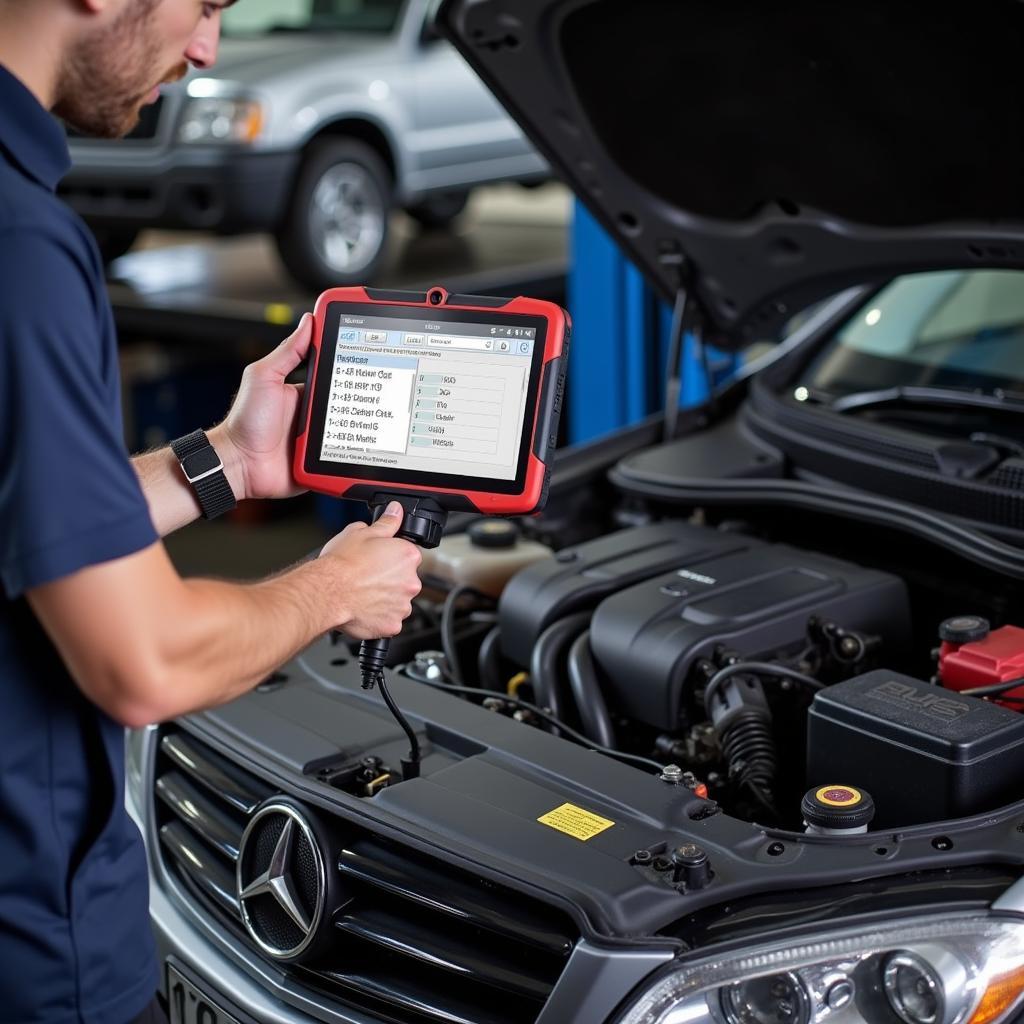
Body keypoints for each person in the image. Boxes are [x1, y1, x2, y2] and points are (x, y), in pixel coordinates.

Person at [0, 1, 424, 1021]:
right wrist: (337, 585)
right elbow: (146, 662)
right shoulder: (20, 246)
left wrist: (229, 457)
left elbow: (35, 514)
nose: (204, 52)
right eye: (204, 7)